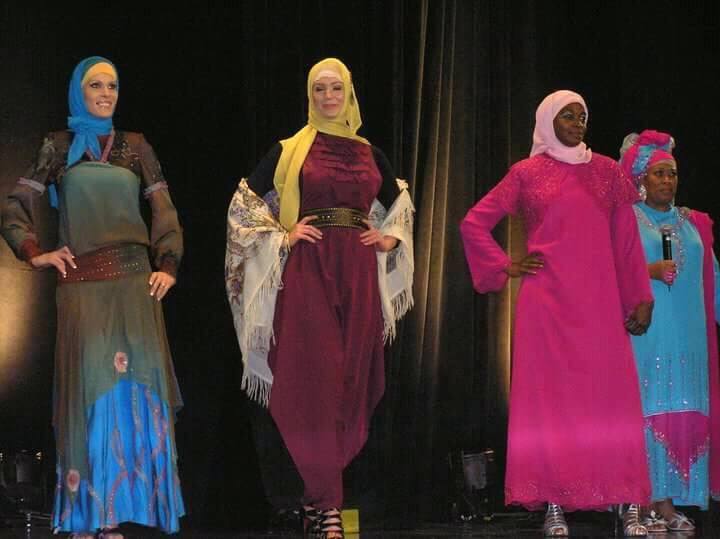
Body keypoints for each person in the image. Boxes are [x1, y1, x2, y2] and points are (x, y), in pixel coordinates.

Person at [225, 57, 414, 538]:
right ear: (309, 96)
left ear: (349, 93)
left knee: (352, 381)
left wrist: (390, 238)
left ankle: (316, 498)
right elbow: (244, 204)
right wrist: (282, 235)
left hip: (358, 272)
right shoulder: (291, 149)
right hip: (310, 270)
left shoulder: (369, 152)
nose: (328, 97)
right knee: (314, 380)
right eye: (319, 90)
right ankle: (329, 507)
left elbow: (399, 204)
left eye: (336, 89)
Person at [0, 56, 184, 538]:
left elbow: (164, 211)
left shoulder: (136, 147)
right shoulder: (58, 147)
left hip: (134, 285)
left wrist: (167, 264)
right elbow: (15, 207)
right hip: (82, 288)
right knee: (88, 398)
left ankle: (116, 517)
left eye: (112, 85)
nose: (105, 93)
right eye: (95, 85)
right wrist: (35, 252)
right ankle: (90, 517)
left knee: (132, 396)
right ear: (78, 92)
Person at [460, 90, 654, 536]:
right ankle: (553, 504)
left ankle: (627, 501)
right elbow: (474, 222)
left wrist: (640, 298)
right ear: (547, 120)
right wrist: (504, 265)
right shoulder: (526, 173)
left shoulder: (607, 172)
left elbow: (626, 242)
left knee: (612, 400)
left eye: (582, 115)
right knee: (550, 405)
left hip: (600, 304)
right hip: (547, 306)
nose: (577, 122)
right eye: (568, 115)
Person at [619, 130, 720, 533]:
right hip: (648, 335)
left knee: (682, 412)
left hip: (690, 337)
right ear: (641, 177)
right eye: (659, 173)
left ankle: (667, 500)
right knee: (648, 411)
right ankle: (639, 499)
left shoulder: (694, 223)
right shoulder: (627, 218)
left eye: (672, 173)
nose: (667, 180)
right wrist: (649, 271)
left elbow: (712, 276)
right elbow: (609, 270)